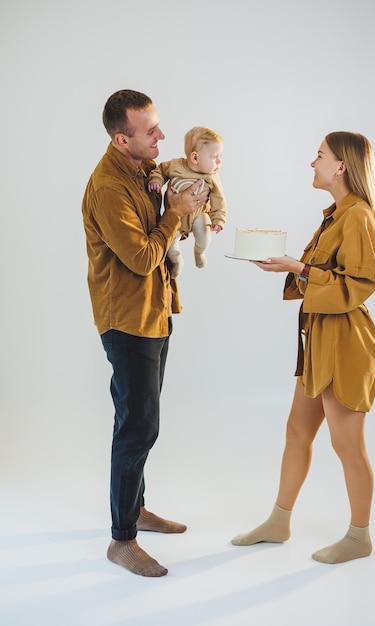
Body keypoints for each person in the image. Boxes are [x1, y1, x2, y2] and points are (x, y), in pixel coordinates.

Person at [231, 131, 375, 564]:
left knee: (347, 445)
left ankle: (360, 537)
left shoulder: (356, 215)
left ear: (341, 166)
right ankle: (279, 521)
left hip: (344, 345)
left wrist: (299, 267)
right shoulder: (337, 213)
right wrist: (291, 269)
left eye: (319, 155)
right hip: (319, 341)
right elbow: (321, 275)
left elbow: (359, 285)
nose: (312, 163)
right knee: (297, 432)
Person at [82, 89, 209, 577]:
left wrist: (179, 206)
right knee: (138, 426)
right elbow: (139, 258)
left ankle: (134, 508)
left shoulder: (139, 170)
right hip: (128, 322)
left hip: (154, 313)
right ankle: (122, 540)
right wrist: (175, 213)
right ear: (121, 138)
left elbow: (159, 233)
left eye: (157, 126)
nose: (161, 136)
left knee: (138, 420)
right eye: (149, 130)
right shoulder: (109, 187)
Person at [148, 126, 226, 277]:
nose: (219, 162)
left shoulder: (212, 178)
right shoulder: (175, 166)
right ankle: (177, 261)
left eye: (220, 157)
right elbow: (160, 171)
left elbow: (219, 199)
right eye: (215, 156)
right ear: (195, 158)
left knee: (204, 236)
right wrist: (156, 181)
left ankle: (199, 252)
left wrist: (218, 219)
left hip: (198, 216)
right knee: (170, 246)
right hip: (173, 219)